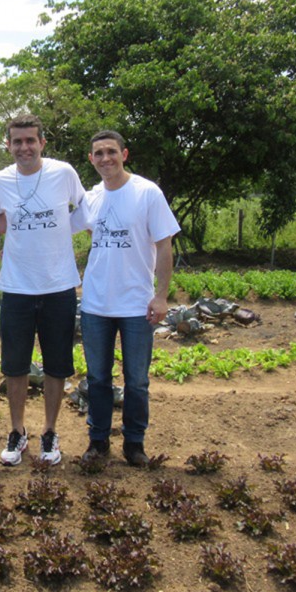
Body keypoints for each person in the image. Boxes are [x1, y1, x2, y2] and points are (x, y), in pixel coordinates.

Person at [0, 114, 86, 466]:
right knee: (14, 366)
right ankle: (17, 432)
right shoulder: (2, 180)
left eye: (30, 140)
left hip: (58, 286)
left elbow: (86, 208)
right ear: (8, 145)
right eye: (17, 141)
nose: (24, 147)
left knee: (56, 365)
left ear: (42, 143)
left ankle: (49, 431)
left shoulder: (63, 173)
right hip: (17, 287)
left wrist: (65, 230)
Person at [72, 130, 180, 466]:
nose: (105, 158)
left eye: (111, 152)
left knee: (137, 381)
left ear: (124, 154)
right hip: (96, 304)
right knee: (98, 379)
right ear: (91, 159)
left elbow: (164, 245)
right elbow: (61, 227)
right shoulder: (91, 198)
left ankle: (134, 443)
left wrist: (161, 296)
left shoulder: (147, 193)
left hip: (136, 305)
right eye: (98, 153)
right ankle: (98, 441)